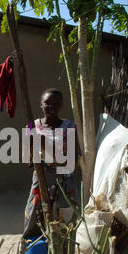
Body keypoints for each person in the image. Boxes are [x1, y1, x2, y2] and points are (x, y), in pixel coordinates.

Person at [22, 88, 79, 240]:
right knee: (35, 221)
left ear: (61, 106)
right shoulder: (32, 127)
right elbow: (27, 159)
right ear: (41, 104)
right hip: (41, 182)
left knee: (64, 227)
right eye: (47, 103)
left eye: (56, 103)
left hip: (64, 183)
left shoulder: (69, 127)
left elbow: (73, 163)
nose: (51, 107)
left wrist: (46, 145)